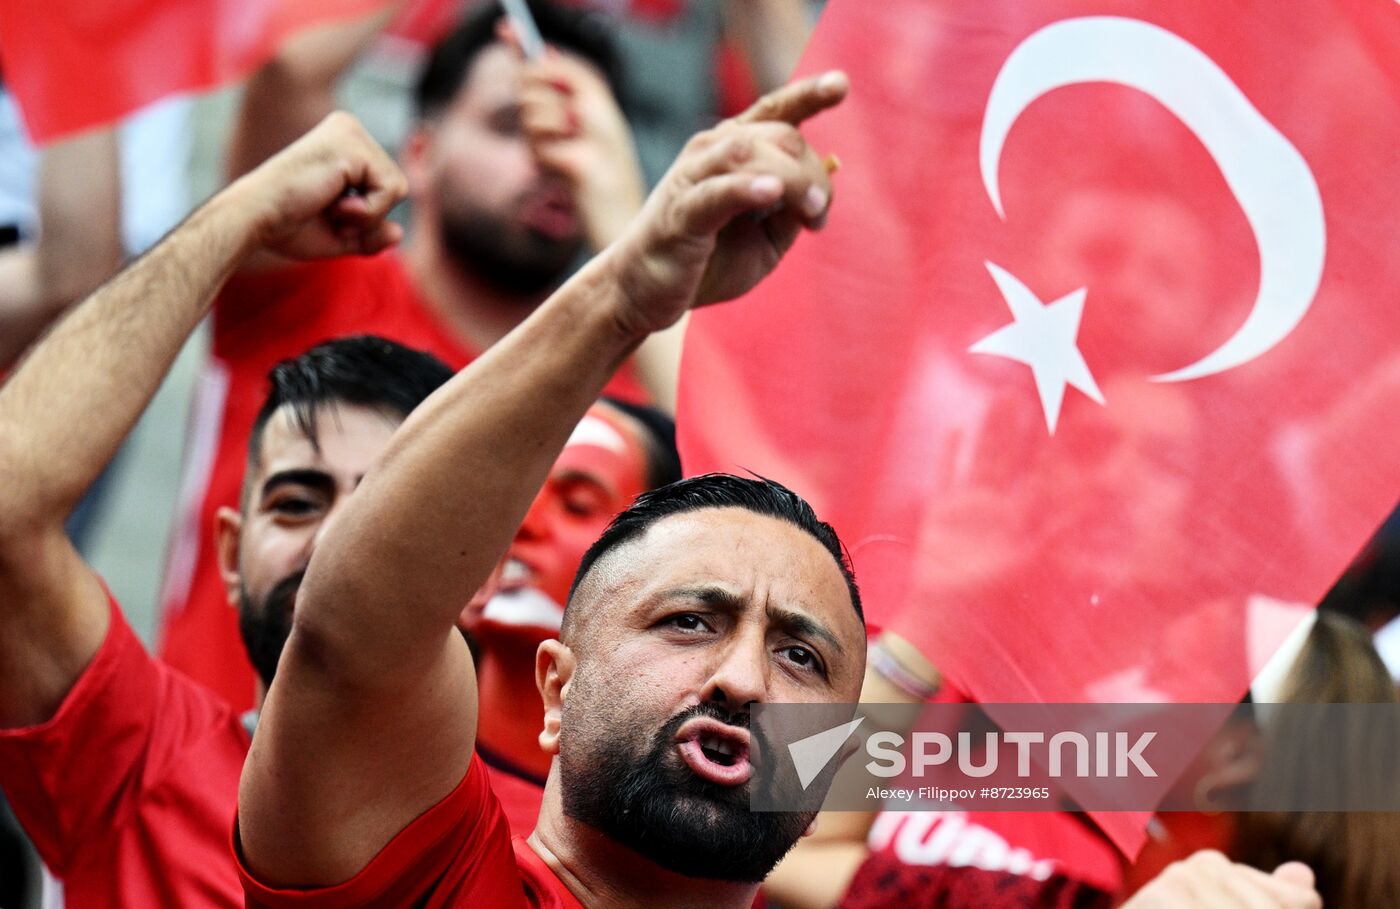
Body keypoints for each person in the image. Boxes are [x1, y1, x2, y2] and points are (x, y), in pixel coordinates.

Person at [0, 112, 465, 909]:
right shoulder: (137, 761)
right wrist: (235, 218)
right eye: (295, 501)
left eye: (391, 507)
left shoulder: (545, 845)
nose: (340, 542)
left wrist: (628, 292)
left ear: (487, 565)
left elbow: (763, 833)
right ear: (229, 552)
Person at [159, 0, 656, 710]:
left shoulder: (630, 408)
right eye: (512, 124)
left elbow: (783, 541)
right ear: (417, 152)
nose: (554, 160)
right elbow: (289, 69)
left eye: (584, 139)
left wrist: (633, 233)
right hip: (193, 783)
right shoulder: (310, 279)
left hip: (455, 819)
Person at [472, 396, 681, 833]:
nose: (521, 520)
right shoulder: (385, 754)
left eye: (577, 504)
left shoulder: (690, 814)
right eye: (512, 488)